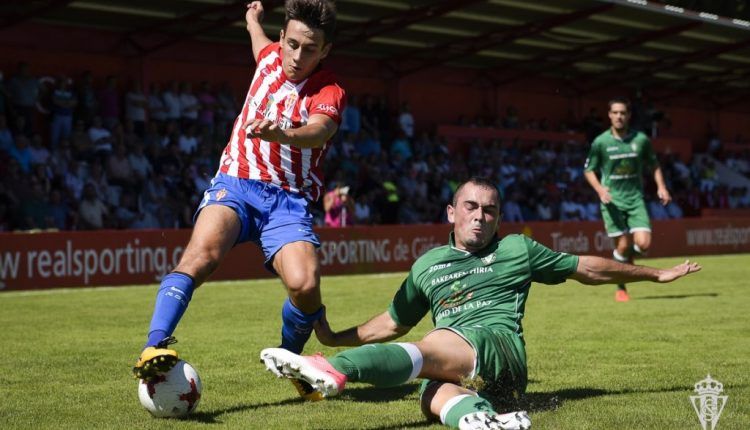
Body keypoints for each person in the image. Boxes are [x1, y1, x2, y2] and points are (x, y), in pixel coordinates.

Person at [259, 177, 700, 430]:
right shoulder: (428, 264)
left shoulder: (516, 250)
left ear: (499, 218)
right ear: (451, 213)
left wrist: (655, 273)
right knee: (432, 394)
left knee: (433, 346)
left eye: (489, 210)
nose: (479, 216)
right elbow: (391, 324)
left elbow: (586, 266)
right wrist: (337, 332)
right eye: (470, 207)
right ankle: (483, 418)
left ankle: (337, 370)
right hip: (493, 381)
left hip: (498, 346)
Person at [133, 0, 344, 383]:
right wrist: (251, 19)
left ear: (325, 50)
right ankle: (155, 345)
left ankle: (290, 359)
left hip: (288, 199)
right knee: (201, 257)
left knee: (305, 285)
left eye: (310, 49)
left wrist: (282, 134)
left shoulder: (328, 90)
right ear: (282, 38)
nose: (297, 56)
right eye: (292, 44)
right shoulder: (268, 56)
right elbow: (257, 40)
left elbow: (320, 131)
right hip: (235, 182)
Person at [583, 98, 671, 302]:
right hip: (611, 201)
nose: (619, 116)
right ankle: (621, 287)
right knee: (622, 246)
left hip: (635, 200)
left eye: (623, 113)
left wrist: (661, 187)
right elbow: (588, 170)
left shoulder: (641, 140)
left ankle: (625, 261)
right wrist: (599, 190)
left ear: (629, 116)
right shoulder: (601, 142)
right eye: (615, 113)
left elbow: (654, 165)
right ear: (609, 115)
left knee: (644, 244)